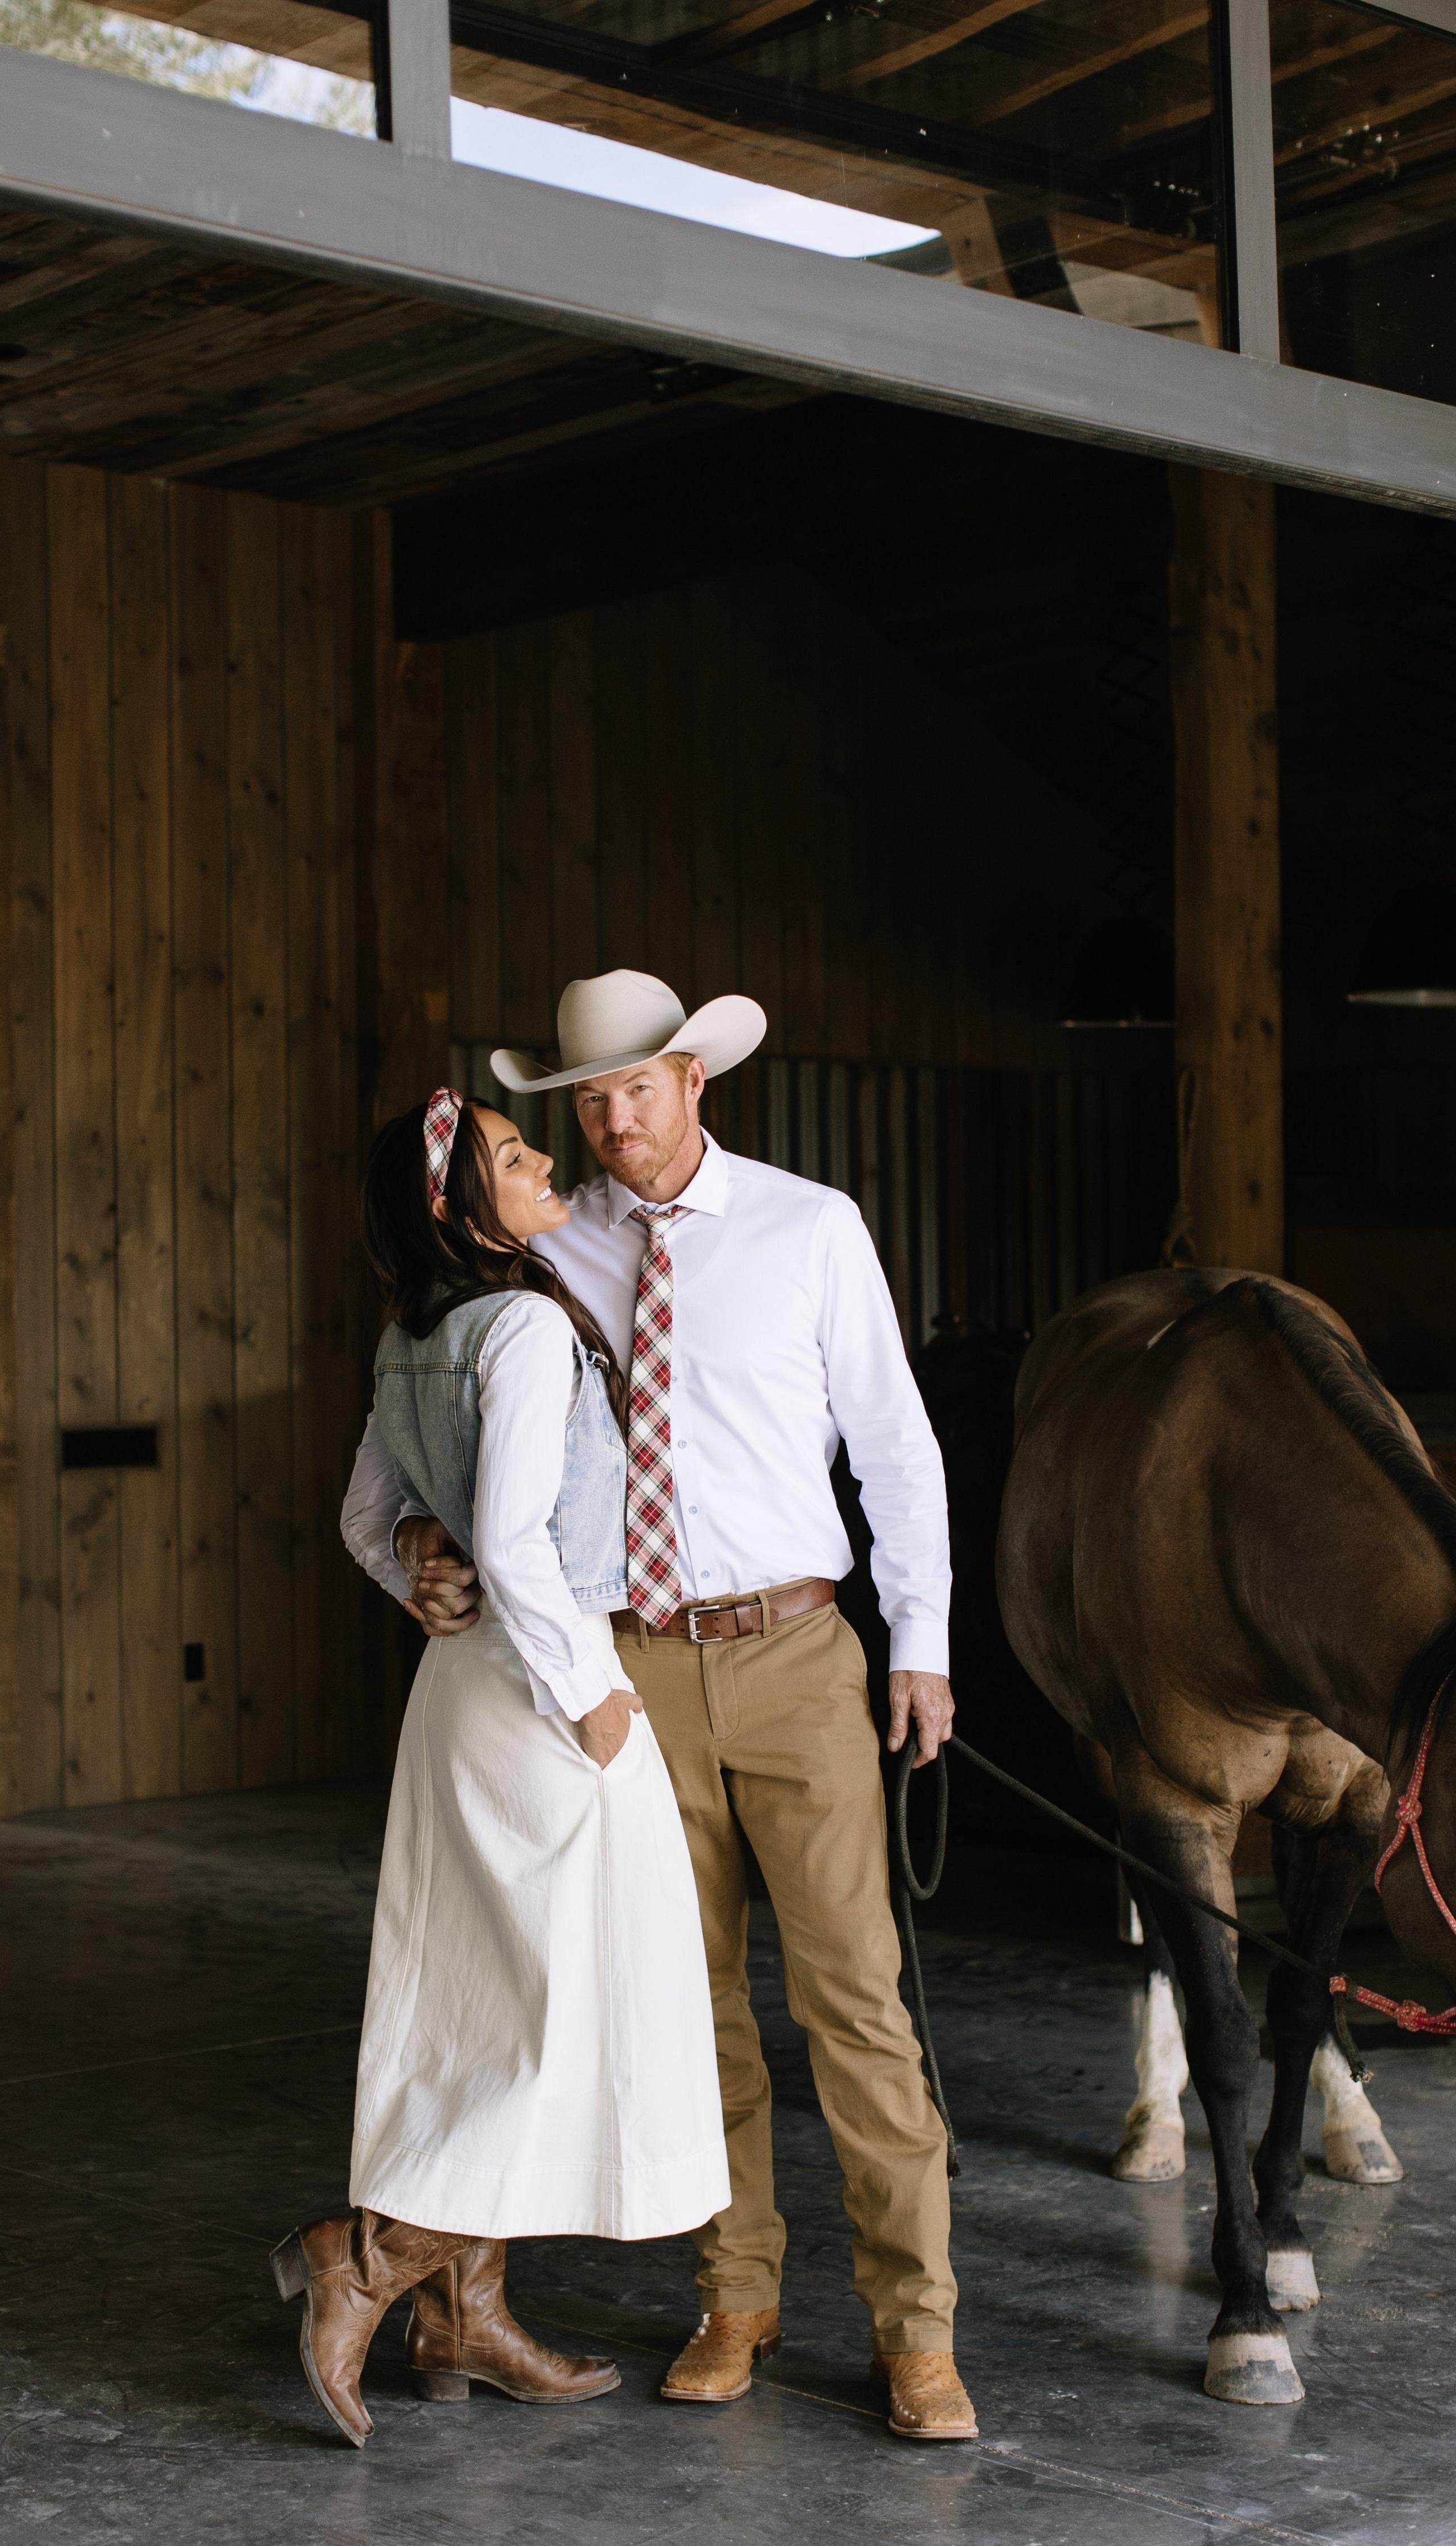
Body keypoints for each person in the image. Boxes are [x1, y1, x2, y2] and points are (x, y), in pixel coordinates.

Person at [343, 971, 976, 2444]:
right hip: (626, 1665)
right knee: (698, 2015)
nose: (612, 1123)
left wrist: (922, 1642)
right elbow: (464, 1418)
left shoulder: (812, 1229)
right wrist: (422, 1549)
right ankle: (734, 2295)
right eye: (586, 1102)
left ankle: (918, 2329)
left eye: (636, 1089)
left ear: (697, 1077)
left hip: (797, 1650)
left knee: (856, 2009)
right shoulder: (549, 1255)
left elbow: (895, 1446)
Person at [275, 1084, 727, 2448]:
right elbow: (520, 1541)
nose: (545, 1165)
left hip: (460, 1691)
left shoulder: (417, 1331)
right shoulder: (526, 1324)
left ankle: (463, 2317)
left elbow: (369, 1514)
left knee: (488, 1999)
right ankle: (367, 2260)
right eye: (517, 1156)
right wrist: (591, 1695)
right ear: (457, 1207)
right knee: (574, 2005)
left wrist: (414, 1569)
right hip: (546, 1686)